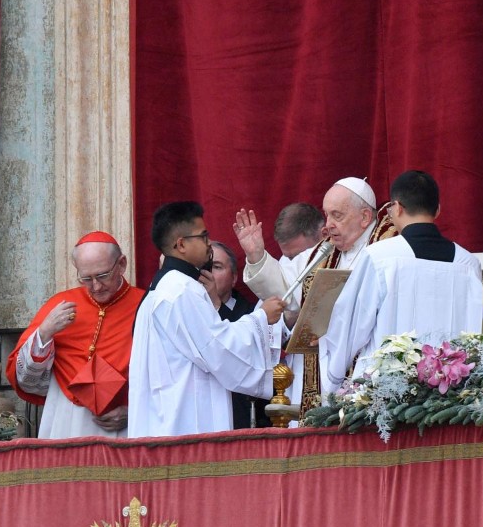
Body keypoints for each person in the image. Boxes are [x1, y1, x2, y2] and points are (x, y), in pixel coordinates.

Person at [234, 177, 397, 408]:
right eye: (327, 214)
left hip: (366, 367)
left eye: (337, 215)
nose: (328, 224)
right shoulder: (320, 253)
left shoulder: (388, 250)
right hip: (317, 368)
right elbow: (285, 294)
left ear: (365, 218)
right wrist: (257, 255)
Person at [128, 202, 286, 438]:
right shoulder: (181, 290)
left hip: (167, 412)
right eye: (203, 237)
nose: (208, 244)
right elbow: (218, 349)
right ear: (181, 244)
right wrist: (262, 318)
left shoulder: (163, 286)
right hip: (184, 417)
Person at [320, 170, 483, 393]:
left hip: (386, 394)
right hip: (449, 392)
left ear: (396, 207)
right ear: (437, 209)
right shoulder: (467, 263)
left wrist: (333, 380)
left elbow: (351, 324)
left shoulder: (379, 257)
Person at [5, 232, 145, 439]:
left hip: (125, 426)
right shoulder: (60, 303)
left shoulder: (146, 305)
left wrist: (135, 411)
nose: (96, 286)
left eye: (103, 276)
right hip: (65, 419)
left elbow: (167, 375)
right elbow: (23, 376)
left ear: (122, 265)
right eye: (86, 278)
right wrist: (45, 332)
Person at [210, 241, 272, 429]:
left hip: (246, 417)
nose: (209, 274)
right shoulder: (189, 311)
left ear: (234, 277)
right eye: (205, 267)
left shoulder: (254, 313)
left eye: (217, 267)